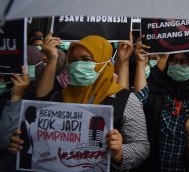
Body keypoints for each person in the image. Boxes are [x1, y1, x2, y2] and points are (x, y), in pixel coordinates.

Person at [8, 35, 150, 171]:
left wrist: (119, 153)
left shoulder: (126, 100)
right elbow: (42, 141)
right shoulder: (58, 98)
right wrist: (24, 143)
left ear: (105, 63)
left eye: (86, 59)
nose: (78, 65)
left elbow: (141, 147)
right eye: (74, 60)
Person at [132, 37, 189, 172]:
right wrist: (140, 60)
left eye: (184, 62)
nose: (176, 65)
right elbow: (138, 99)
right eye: (173, 61)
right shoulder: (158, 91)